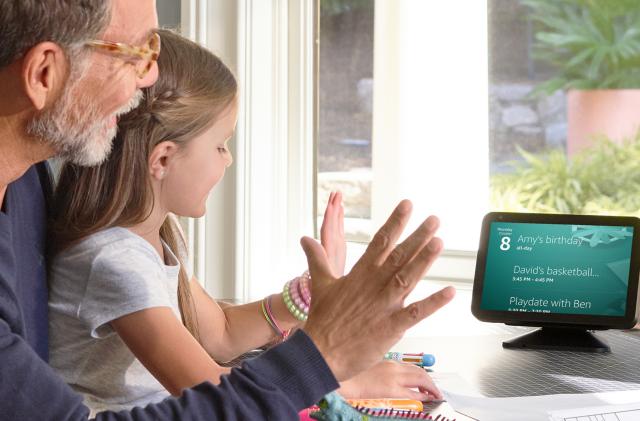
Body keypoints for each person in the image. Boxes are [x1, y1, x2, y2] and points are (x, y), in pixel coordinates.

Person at [0, 0, 455, 419]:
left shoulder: (38, 194)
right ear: (43, 72)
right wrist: (332, 372)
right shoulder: (112, 257)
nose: (148, 77)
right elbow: (205, 386)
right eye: (133, 53)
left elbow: (216, 332)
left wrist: (311, 300)